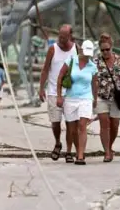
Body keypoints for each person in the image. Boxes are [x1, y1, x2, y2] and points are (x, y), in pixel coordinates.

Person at [39, 24, 78, 161]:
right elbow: (45, 69)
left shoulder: (76, 49)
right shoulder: (52, 49)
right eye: (59, 36)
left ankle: (68, 151)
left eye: (63, 37)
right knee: (55, 122)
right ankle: (57, 142)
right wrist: (41, 88)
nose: (60, 39)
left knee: (70, 123)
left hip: (71, 92)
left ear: (70, 36)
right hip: (53, 91)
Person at [56, 40, 98, 165]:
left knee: (82, 126)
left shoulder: (92, 66)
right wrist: (59, 96)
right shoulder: (71, 60)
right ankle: (70, 151)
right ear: (81, 50)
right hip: (70, 98)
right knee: (71, 129)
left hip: (86, 98)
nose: (87, 55)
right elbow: (60, 77)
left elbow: (94, 84)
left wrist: (94, 99)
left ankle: (80, 156)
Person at [94, 33, 120, 162]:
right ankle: (107, 152)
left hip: (116, 97)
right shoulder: (96, 61)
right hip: (101, 96)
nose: (105, 52)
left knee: (115, 124)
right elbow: (92, 78)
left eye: (107, 49)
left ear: (111, 47)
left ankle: (109, 146)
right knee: (104, 123)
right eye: (102, 50)